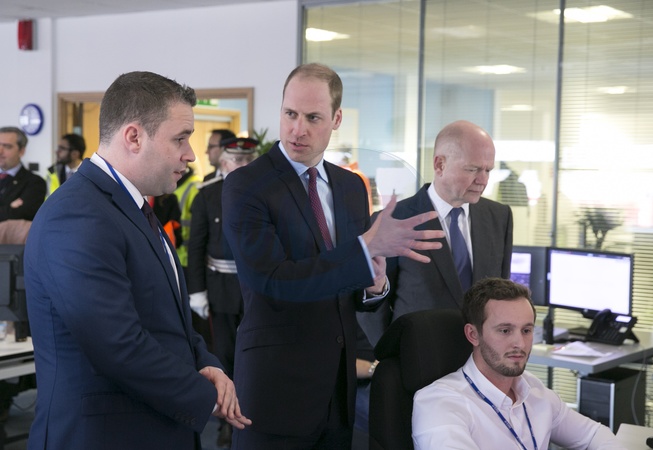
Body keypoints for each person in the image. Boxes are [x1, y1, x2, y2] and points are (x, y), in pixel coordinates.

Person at [221, 62, 445, 449]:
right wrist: (365, 251)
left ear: (336, 119)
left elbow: (349, 286)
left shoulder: (350, 187)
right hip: (276, 387)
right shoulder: (247, 185)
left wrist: (375, 284)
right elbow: (272, 280)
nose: (298, 129)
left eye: (313, 117)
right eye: (290, 114)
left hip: (337, 391)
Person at [23, 70, 250, 449]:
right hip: (103, 436)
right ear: (133, 137)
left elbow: (164, 317)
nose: (190, 155)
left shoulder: (130, 207)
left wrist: (204, 361)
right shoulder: (78, 214)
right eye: (180, 138)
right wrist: (207, 395)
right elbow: (116, 344)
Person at [412, 277, 625, 450]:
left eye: (526, 330)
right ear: (473, 334)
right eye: (505, 330)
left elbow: (595, 435)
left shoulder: (533, 389)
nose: (520, 343)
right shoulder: (439, 404)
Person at [360, 120, 513, 346]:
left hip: (481, 356)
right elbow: (372, 302)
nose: (483, 180)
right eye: (472, 169)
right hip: (418, 356)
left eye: (488, 170)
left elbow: (502, 295)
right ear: (440, 164)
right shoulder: (393, 220)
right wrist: (391, 353)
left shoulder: (499, 217)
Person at [187, 136, 258, 448]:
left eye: (248, 160)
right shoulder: (208, 194)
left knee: (256, 354)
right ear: (224, 162)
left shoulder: (267, 191)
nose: (242, 166)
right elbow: (196, 245)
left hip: (257, 288)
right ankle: (228, 420)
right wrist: (197, 291)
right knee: (225, 355)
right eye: (237, 160)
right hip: (221, 288)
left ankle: (254, 412)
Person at [0, 126, 46, 223]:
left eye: (7, 146)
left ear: (21, 151)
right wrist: (9, 207)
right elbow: (9, 214)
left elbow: (21, 214)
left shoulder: (35, 183)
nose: (0, 151)